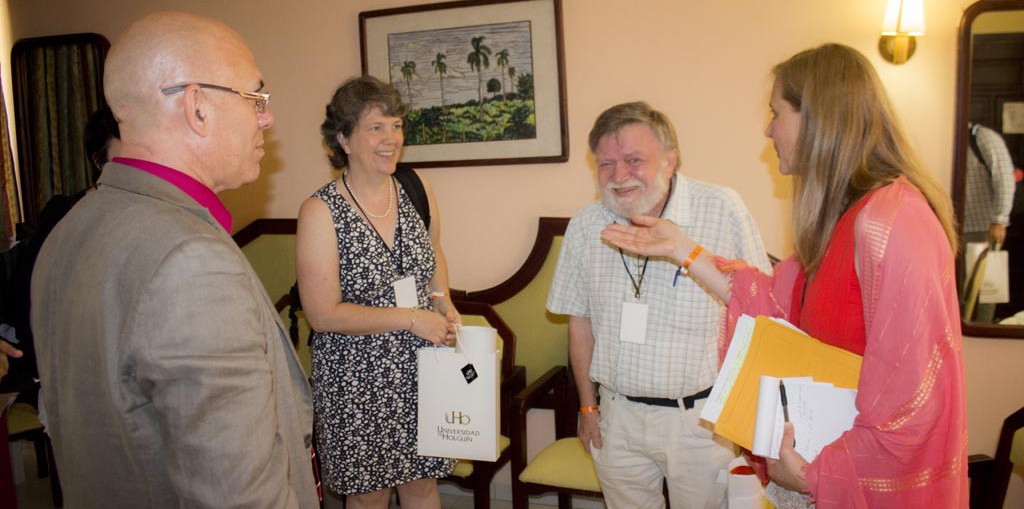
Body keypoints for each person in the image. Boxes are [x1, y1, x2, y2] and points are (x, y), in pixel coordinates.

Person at [602, 44, 967, 508]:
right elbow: (772, 304)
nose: (767, 128)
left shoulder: (892, 222)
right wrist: (681, 249)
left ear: (818, 116)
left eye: (777, 112)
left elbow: (913, 403)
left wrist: (818, 474)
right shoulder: (847, 219)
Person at [31, 11, 318, 508]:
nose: (266, 117)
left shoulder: (70, 230)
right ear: (198, 107)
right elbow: (238, 495)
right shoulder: (191, 261)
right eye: (256, 98)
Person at [546, 101, 771, 509]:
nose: (618, 177)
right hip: (616, 417)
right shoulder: (585, 224)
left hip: (701, 422)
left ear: (670, 160)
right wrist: (587, 404)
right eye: (606, 164)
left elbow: (758, 310)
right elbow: (579, 322)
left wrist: (749, 412)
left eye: (634, 160)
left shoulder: (721, 208)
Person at [295, 75, 459, 509]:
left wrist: (443, 302)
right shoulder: (320, 211)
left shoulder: (416, 187)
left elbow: (434, 252)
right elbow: (323, 314)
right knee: (370, 497)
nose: (391, 139)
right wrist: (411, 318)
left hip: (421, 367)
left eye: (397, 125)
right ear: (344, 139)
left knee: (424, 486)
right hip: (356, 378)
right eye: (376, 127)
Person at [963, 122, 1015, 322]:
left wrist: (999, 220)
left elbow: (1005, 179)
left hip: (983, 230)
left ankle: (982, 330)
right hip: (956, 229)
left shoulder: (982, 137)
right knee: (963, 292)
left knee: (986, 289)